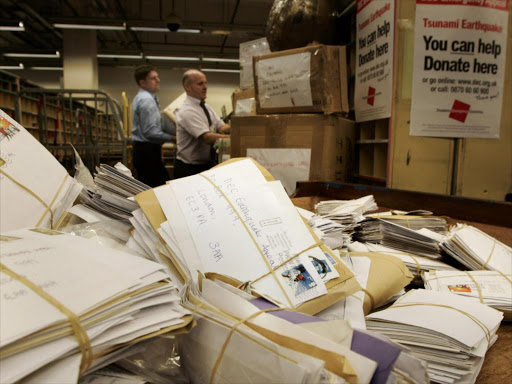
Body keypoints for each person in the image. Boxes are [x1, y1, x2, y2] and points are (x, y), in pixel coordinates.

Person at [174, 69, 230, 179]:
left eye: (205, 83)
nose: (205, 87)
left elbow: (221, 127)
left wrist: (241, 126)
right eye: (200, 84)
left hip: (204, 166)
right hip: (189, 169)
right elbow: (207, 137)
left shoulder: (206, 107)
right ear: (187, 87)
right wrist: (233, 138)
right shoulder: (187, 111)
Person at [131, 65, 173, 187]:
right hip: (146, 151)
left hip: (146, 151)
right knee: (157, 186)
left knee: (154, 185)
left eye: (157, 77)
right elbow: (150, 132)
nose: (158, 80)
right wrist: (172, 138)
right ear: (143, 82)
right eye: (153, 78)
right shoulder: (146, 100)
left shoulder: (146, 98)